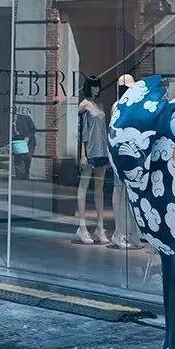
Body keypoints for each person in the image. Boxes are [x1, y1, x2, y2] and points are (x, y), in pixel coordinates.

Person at [76, 76, 111, 245]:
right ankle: (82, 227)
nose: (97, 89)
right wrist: (83, 154)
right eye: (94, 86)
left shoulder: (99, 106)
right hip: (90, 151)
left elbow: (103, 130)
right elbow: (82, 132)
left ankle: (100, 227)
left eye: (98, 86)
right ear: (88, 87)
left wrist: (108, 152)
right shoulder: (84, 106)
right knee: (83, 187)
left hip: (101, 150)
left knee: (99, 190)